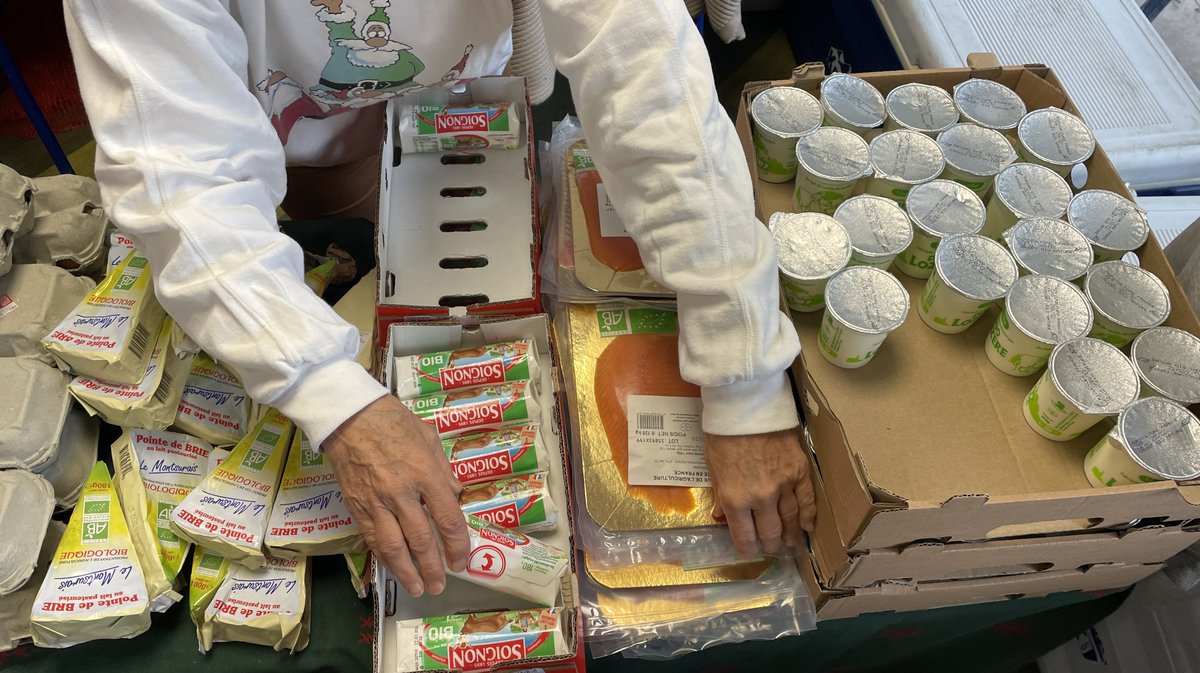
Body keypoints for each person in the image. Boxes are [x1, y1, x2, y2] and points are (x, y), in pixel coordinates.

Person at [64, 0, 814, 599]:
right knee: (353, 219)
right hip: (286, 117)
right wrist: (334, 400)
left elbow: (644, 67)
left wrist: (741, 366)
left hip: (458, 87)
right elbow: (188, 182)